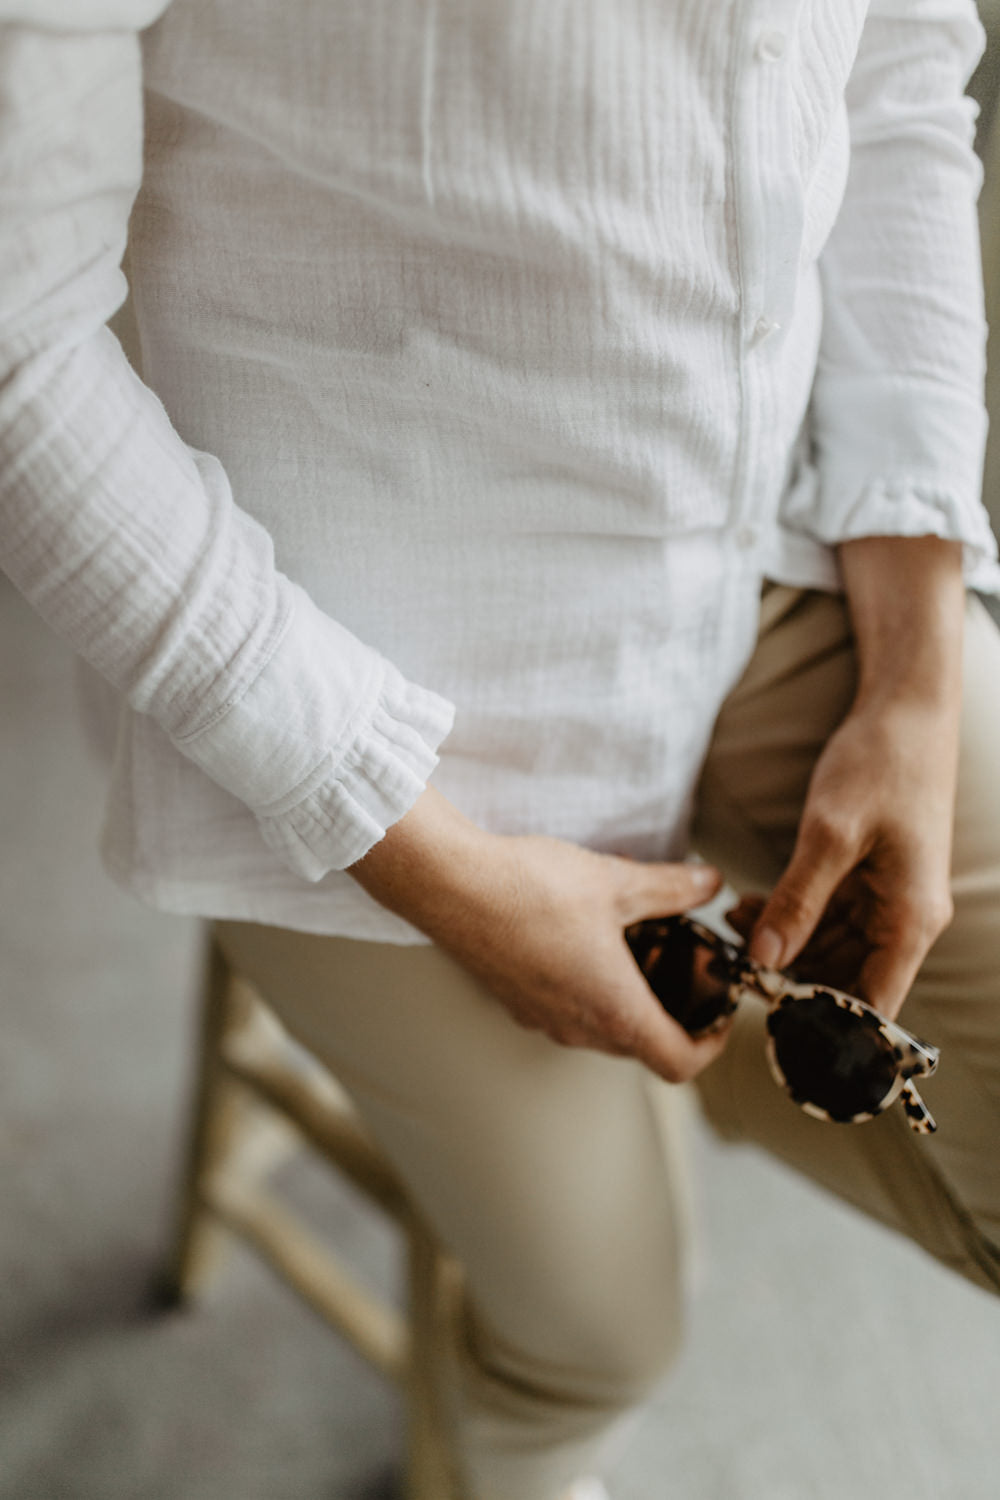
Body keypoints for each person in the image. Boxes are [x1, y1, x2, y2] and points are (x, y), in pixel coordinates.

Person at [2, 2, 999, 1497]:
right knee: (602, 1339)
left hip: (789, 557)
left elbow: (899, 67)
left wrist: (919, 663)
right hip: (370, 692)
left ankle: (707, 1040)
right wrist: (427, 859)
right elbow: (16, 336)